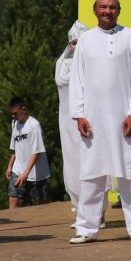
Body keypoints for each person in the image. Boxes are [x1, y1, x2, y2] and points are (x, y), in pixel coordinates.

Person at [68, 0, 131, 244]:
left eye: (112, 7)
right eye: (103, 7)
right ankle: (86, 228)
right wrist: (79, 115)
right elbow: (78, 80)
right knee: (92, 174)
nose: (107, 11)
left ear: (119, 10)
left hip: (124, 120)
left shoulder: (130, 37)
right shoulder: (85, 40)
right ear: (95, 11)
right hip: (93, 119)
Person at [54, 21, 86, 201]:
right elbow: (61, 81)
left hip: (88, 119)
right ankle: (79, 205)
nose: (76, 46)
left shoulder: (94, 63)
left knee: (90, 161)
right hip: (68, 120)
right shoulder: (62, 63)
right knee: (73, 161)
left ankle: (98, 209)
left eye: (80, 42)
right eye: (74, 43)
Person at [6, 96, 48, 207]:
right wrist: (10, 166)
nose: (13, 116)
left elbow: (37, 151)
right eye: (12, 114)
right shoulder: (14, 124)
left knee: (40, 204)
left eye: (15, 113)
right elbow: (14, 147)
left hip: (35, 171)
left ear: (23, 109)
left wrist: (26, 172)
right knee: (13, 197)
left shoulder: (34, 125)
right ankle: (13, 223)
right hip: (18, 169)